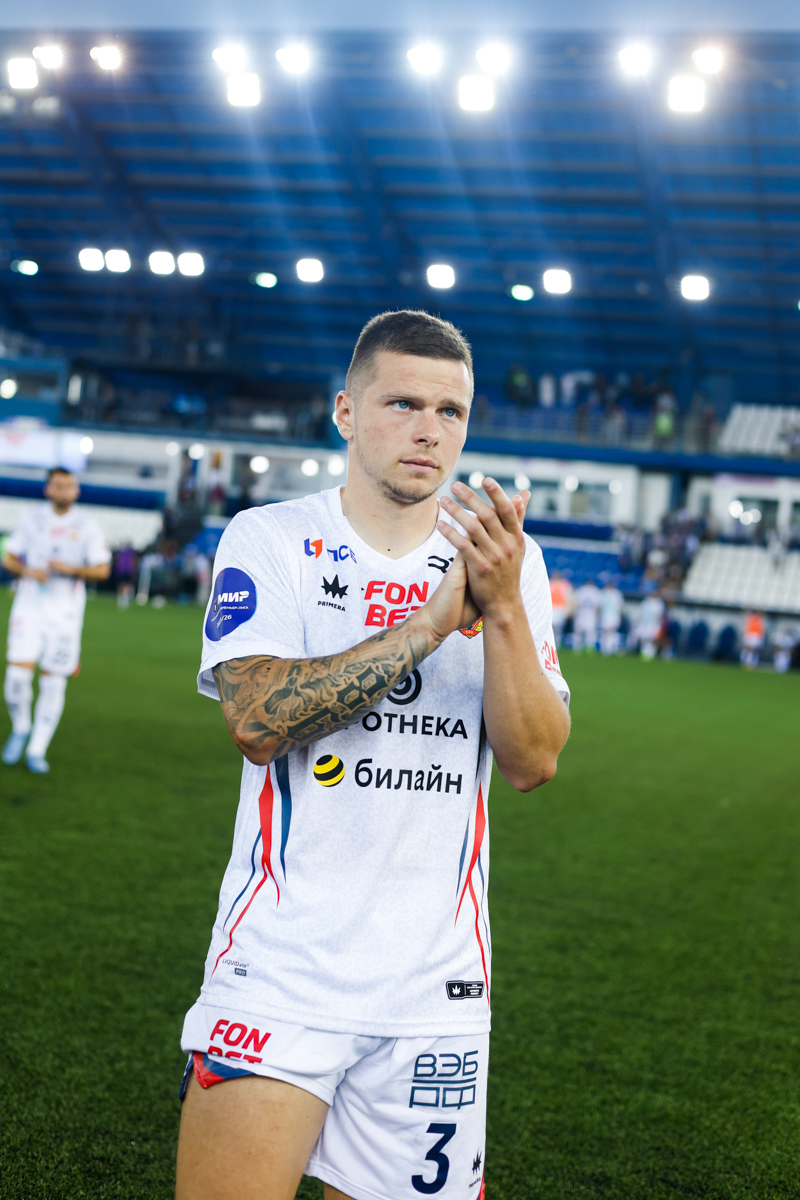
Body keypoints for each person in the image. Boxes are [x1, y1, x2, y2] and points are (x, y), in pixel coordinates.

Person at [175, 310, 572, 1200]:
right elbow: (257, 719)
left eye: (450, 411)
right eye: (403, 404)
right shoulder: (270, 537)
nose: (430, 430)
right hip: (280, 971)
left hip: (437, 990)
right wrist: (430, 624)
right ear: (346, 412)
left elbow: (534, 761)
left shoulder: (509, 562)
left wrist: (504, 606)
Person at [1, 467, 110, 773]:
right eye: (58, 485)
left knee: (53, 683)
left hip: (65, 615)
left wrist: (71, 569)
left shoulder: (87, 524)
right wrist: (28, 571)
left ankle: (37, 749)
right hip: (29, 608)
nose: (64, 490)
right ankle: (21, 727)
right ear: (48, 489)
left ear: (76, 490)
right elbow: (9, 557)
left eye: (69, 485)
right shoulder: (31, 518)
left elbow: (102, 569)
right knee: (16, 678)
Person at [572, 578, 601, 652]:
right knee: (589, 633)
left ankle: (577, 649)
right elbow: (598, 606)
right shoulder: (595, 591)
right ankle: (589, 649)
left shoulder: (581, 590)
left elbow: (576, 603)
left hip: (582, 614)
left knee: (580, 632)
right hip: (589, 615)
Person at [599, 580, 624, 655]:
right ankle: (604, 649)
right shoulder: (603, 593)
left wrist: (621, 616)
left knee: (612, 633)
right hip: (604, 616)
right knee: (604, 633)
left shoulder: (617, 594)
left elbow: (620, 607)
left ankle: (612, 648)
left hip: (614, 617)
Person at [549, 570, 573, 647]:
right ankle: (552, 644)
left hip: (559, 608)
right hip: (554, 608)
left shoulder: (564, 584)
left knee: (557, 628)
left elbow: (568, 598)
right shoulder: (550, 583)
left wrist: (568, 609)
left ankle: (556, 644)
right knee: (552, 628)